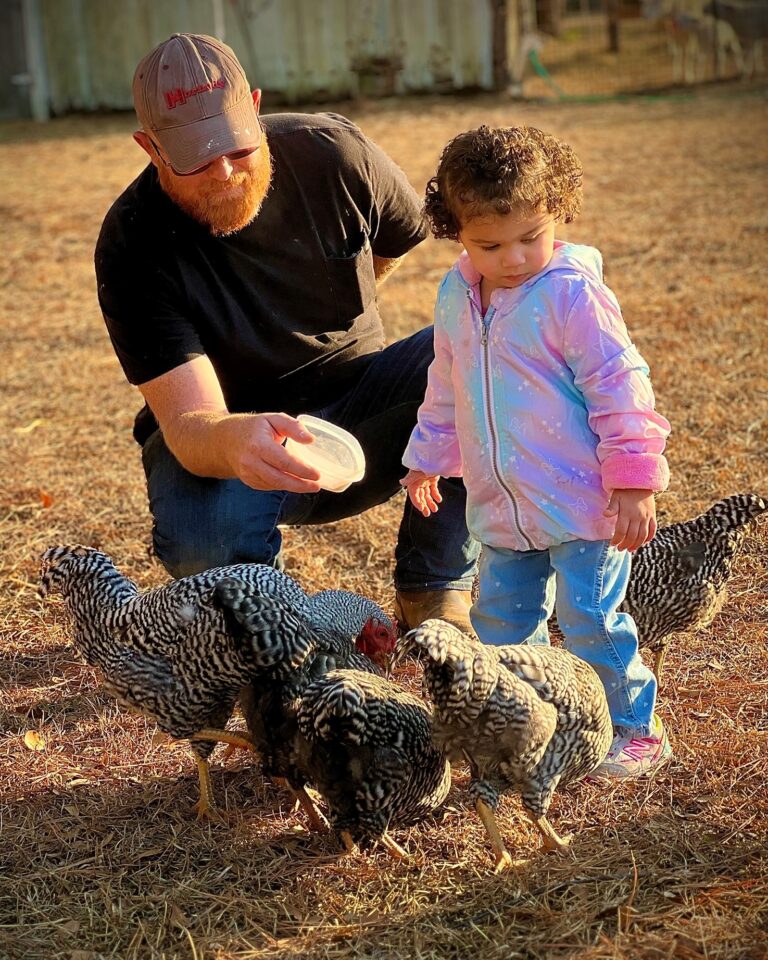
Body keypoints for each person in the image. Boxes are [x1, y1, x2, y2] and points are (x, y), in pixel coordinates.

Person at [94, 33, 480, 632]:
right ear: (150, 148)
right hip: (234, 436)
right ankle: (280, 628)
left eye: (235, 146)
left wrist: (350, 316)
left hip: (361, 403)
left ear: (254, 105)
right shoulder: (132, 244)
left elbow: (398, 239)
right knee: (202, 543)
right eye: (194, 157)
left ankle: (434, 587)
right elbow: (191, 424)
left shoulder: (333, 153)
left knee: (487, 354)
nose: (223, 172)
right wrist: (234, 440)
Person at [401, 125, 673, 779]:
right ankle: (528, 723)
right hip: (503, 506)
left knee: (589, 619)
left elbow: (619, 383)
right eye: (490, 244)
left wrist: (633, 479)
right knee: (500, 620)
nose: (515, 257)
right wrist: (428, 455)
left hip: (581, 501)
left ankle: (635, 726)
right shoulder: (456, 297)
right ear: (455, 231)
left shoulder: (571, 294)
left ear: (560, 211)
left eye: (532, 236)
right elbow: (447, 382)